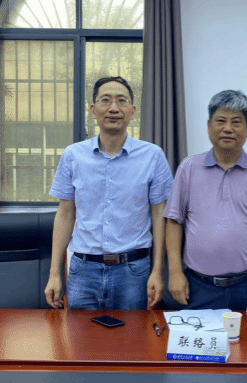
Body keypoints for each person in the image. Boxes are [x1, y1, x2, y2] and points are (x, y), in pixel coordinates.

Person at [44, 76, 173, 310]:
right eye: (106, 100)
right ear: (93, 110)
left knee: (134, 334)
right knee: (80, 334)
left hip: (134, 271)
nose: (114, 108)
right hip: (83, 270)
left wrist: (157, 271)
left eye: (122, 100)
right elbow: (65, 214)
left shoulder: (153, 156)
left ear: (132, 111)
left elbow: (159, 215)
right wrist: (54, 273)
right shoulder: (73, 155)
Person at [164, 90, 247, 310]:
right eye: (221, 121)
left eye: (236, 122)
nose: (228, 128)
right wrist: (174, 272)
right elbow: (174, 221)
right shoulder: (189, 168)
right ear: (209, 125)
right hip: (198, 286)